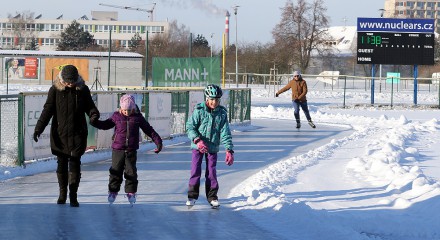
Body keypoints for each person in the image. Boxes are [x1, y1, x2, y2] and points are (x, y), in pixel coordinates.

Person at [33, 65, 100, 207]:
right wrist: (38, 128)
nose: (70, 84)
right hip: (60, 133)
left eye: (72, 81)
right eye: (68, 81)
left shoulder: (82, 90)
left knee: (75, 162)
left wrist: (94, 115)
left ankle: (73, 195)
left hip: (78, 133)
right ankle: (62, 193)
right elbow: (47, 111)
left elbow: (90, 107)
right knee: (62, 163)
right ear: (62, 79)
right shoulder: (55, 90)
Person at [90, 94, 163, 205]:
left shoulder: (138, 118)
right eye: (124, 110)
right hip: (118, 149)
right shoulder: (116, 116)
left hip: (131, 149)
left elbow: (149, 130)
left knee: (131, 172)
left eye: (129, 110)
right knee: (115, 171)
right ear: (121, 108)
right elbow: (105, 125)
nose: (126, 112)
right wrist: (94, 122)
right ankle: (113, 191)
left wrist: (158, 142)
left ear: (133, 108)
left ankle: (131, 192)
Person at [185, 84, 234, 208]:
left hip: (212, 147)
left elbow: (225, 132)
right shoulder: (199, 111)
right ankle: (192, 196)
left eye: (217, 100)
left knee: (211, 171)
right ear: (207, 99)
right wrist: (197, 140)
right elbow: (190, 127)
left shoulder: (222, 114)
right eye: (212, 99)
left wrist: (229, 150)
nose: (214, 102)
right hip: (198, 147)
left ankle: (212, 196)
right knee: (195, 170)